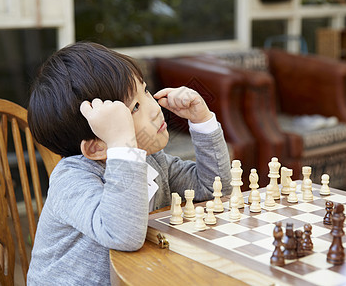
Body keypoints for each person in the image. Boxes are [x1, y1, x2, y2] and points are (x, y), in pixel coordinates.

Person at [26, 41, 232, 285]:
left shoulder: (152, 161)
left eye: (145, 92)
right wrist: (122, 144)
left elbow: (212, 187)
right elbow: (123, 234)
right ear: (97, 147)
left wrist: (202, 121)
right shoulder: (71, 181)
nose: (155, 109)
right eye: (134, 108)